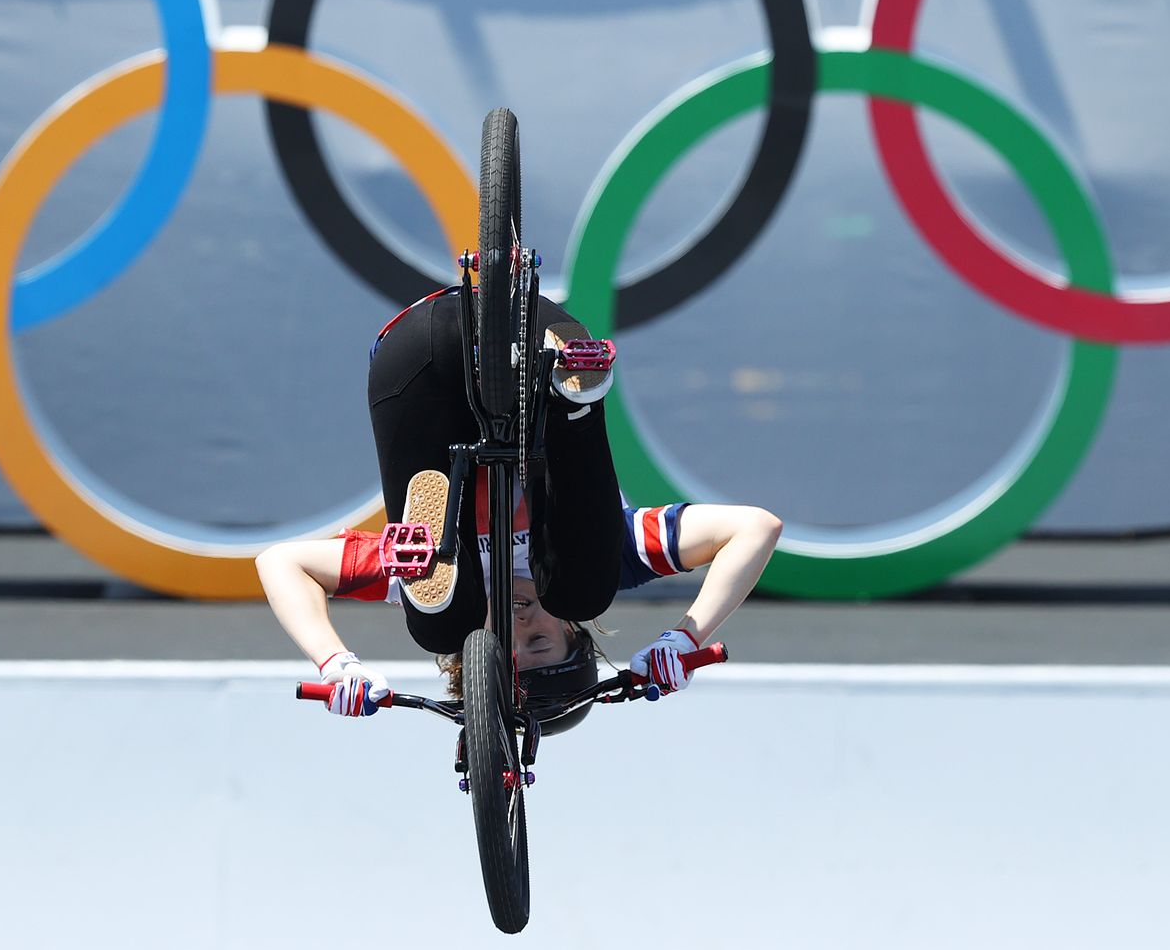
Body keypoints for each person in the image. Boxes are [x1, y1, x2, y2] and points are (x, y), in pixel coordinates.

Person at [257, 287, 781, 724]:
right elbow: (755, 528)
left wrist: (336, 664)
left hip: (416, 357)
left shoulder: (418, 589)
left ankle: (441, 530)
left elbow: (280, 562)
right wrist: (685, 639)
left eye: (504, 657)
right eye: (538, 648)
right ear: (573, 638)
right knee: (584, 588)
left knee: (439, 618)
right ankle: (575, 399)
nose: (518, 634)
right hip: (535, 341)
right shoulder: (616, 557)